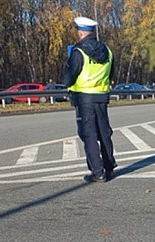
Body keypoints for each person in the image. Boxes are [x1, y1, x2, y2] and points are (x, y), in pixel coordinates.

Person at [62, 17, 116, 183]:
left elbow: (68, 78)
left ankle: (97, 172)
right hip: (102, 96)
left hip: (84, 98)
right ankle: (109, 166)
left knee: (89, 135)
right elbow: (111, 75)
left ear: (80, 32)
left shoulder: (79, 52)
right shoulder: (107, 51)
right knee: (104, 133)